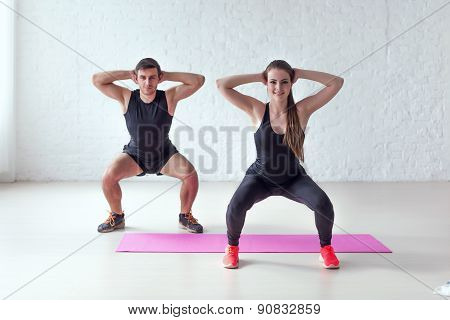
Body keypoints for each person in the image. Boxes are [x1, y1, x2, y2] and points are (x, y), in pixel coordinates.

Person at [216, 60, 344, 269]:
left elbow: (336, 83)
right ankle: (232, 248)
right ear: (266, 83)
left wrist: (301, 72)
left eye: (284, 82)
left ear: (291, 84)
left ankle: (326, 248)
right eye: (273, 82)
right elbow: (222, 84)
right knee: (235, 207)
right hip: (260, 178)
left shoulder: (301, 110)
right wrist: (258, 76)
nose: (278, 88)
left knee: (323, 205)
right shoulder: (257, 110)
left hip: (293, 178)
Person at [92, 58, 205, 233]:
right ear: (136, 79)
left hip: (164, 154)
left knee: (190, 175)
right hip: (135, 155)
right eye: (142, 77)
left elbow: (198, 80)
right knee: (108, 176)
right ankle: (117, 216)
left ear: (158, 78)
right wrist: (127, 74)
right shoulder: (127, 97)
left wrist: (167, 76)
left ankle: (185, 216)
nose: (147, 82)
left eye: (152, 77)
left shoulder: (169, 97)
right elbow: (97, 80)